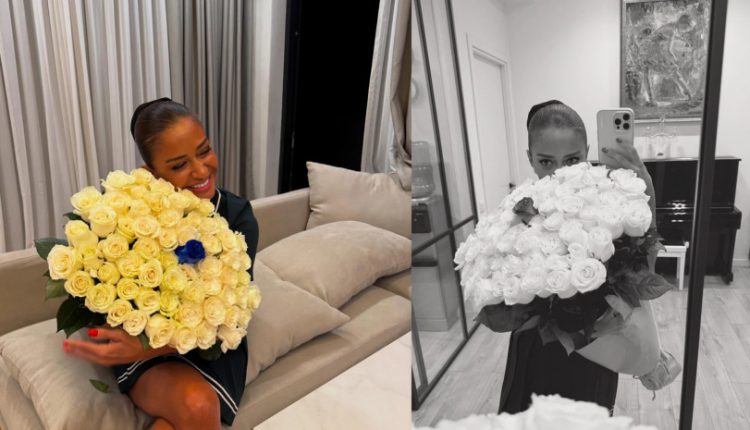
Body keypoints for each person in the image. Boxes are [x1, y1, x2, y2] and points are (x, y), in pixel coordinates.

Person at [62, 98, 259, 430]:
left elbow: (231, 309)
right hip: (144, 333)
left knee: (193, 409)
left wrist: (143, 350)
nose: (201, 171)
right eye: (179, 165)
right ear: (151, 173)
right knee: (196, 405)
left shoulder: (238, 216)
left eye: (204, 150)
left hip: (206, 341)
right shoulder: (130, 213)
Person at [498, 100, 657, 415]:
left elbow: (645, 272)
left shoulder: (609, 207)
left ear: (586, 152)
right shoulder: (518, 208)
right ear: (530, 158)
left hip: (594, 351)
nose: (559, 172)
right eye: (546, 161)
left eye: (572, 159)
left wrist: (646, 189)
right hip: (536, 349)